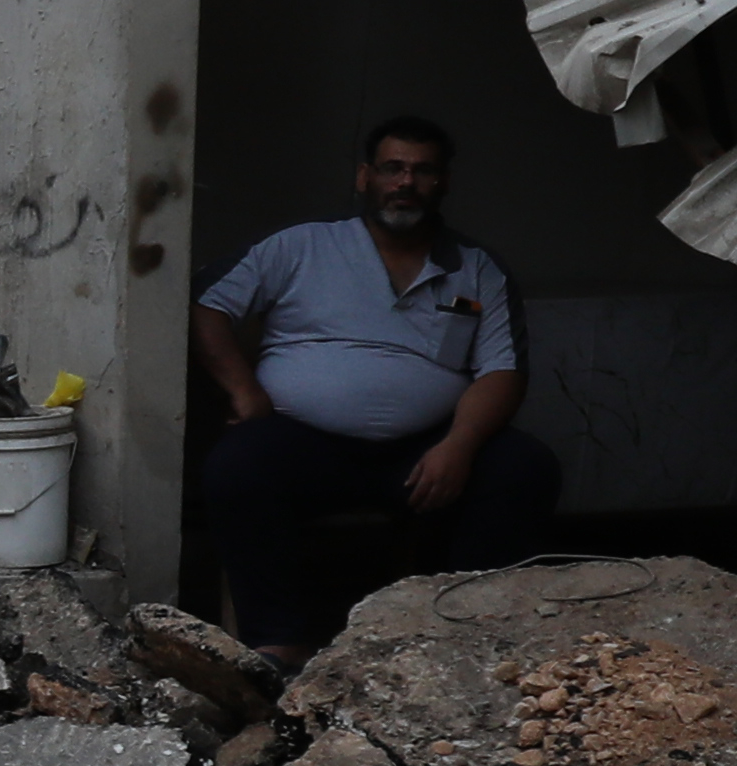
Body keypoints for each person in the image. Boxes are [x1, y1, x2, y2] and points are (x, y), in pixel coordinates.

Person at [189, 113, 561, 665]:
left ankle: (465, 636)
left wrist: (458, 447)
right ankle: (278, 644)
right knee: (235, 470)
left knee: (525, 469)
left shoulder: (477, 268)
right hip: (302, 440)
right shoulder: (301, 246)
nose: (405, 182)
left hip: (423, 454)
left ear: (444, 183)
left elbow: (502, 371)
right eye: (393, 168)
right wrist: (244, 392)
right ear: (365, 177)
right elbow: (209, 304)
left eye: (422, 171)